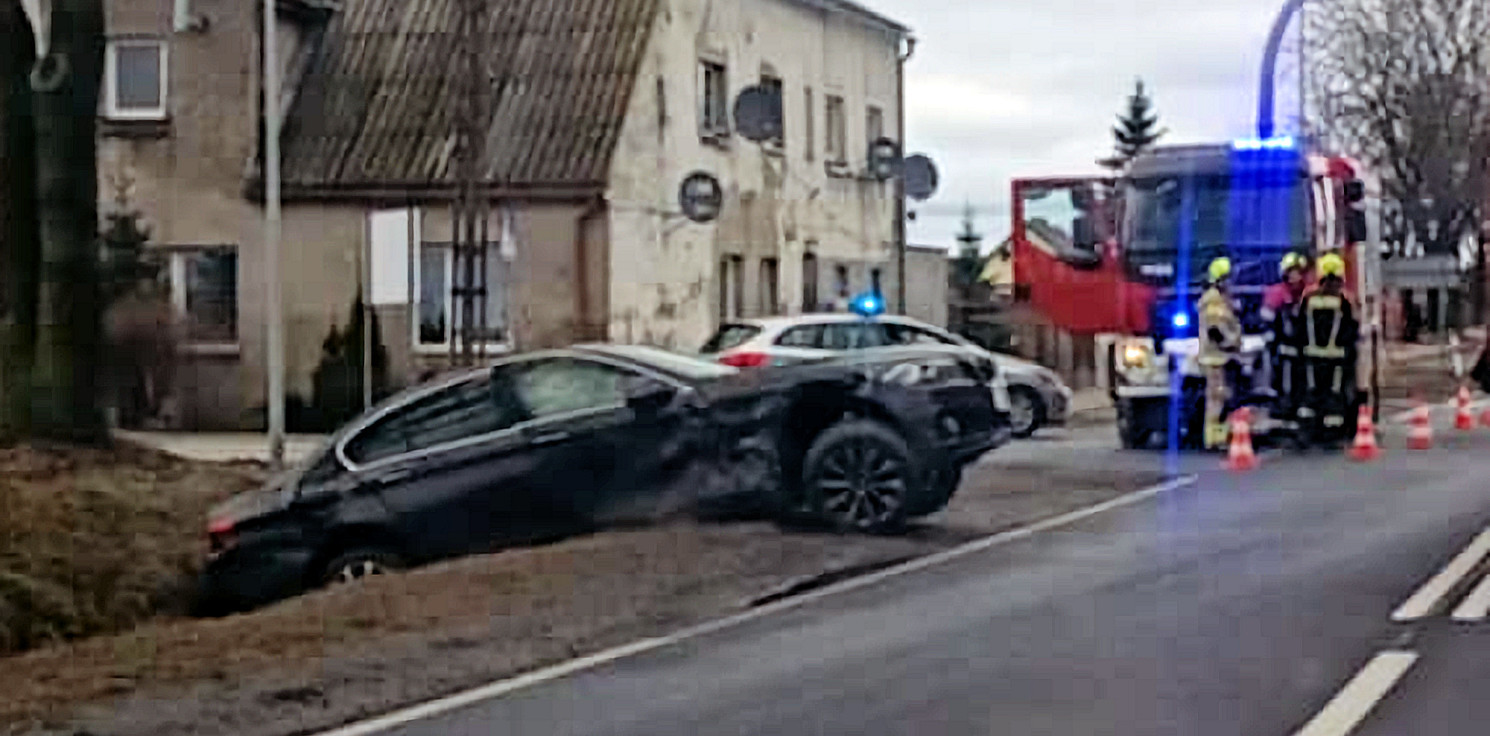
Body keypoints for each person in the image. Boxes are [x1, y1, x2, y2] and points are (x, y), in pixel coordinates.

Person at [1296, 252, 1359, 446]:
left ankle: (1307, 432)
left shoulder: (1308, 298)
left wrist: (1301, 351)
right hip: (1337, 359)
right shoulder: (1344, 301)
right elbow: (1352, 329)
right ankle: (1331, 435)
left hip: (1310, 358)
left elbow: (1299, 327)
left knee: (1311, 393)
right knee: (1334, 395)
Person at [1198, 257, 1242, 450]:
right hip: (1216, 358)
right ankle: (1214, 438)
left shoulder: (1219, 299)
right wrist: (1230, 344)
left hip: (1219, 357)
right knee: (1217, 398)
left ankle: (1218, 436)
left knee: (1220, 397)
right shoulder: (1214, 301)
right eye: (1228, 278)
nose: (1231, 283)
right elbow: (1215, 331)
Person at [1260, 253, 1309, 423]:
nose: (1296, 276)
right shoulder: (1276, 293)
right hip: (1281, 347)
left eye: (1299, 272)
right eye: (1292, 272)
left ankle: (1299, 406)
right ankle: (1283, 406)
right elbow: (1266, 320)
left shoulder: (1307, 294)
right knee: (1283, 379)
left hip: (1304, 348)